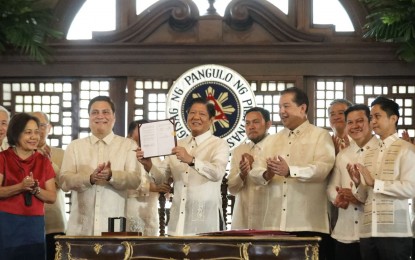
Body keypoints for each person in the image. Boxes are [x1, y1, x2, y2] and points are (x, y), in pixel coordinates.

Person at [250, 87, 335, 260]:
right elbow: (254, 171)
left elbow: (322, 169)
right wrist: (267, 174)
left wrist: (290, 171)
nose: (281, 111)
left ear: (302, 108)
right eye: (280, 107)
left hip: (308, 223)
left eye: (286, 106)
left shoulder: (320, 135)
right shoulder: (272, 140)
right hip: (274, 224)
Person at [137, 97, 230, 236]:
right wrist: (149, 165)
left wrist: (192, 160)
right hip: (176, 221)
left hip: (206, 223)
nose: (196, 117)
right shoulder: (176, 144)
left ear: (211, 120)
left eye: (202, 114)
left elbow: (217, 173)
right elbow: (162, 179)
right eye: (192, 113)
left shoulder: (219, 144)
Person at [59, 96, 141, 236]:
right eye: (95, 112)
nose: (100, 116)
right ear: (89, 117)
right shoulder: (75, 147)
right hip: (80, 228)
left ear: (114, 117)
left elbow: (135, 180)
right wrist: (89, 178)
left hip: (114, 227)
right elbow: (64, 181)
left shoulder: (128, 146)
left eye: (106, 112)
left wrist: (111, 175)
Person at [348, 96, 415, 259]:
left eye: (377, 116)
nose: (373, 122)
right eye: (371, 117)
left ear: (393, 119)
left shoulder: (406, 149)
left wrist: (375, 183)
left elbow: (410, 188)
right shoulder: (368, 152)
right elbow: (364, 197)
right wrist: (358, 184)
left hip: (395, 234)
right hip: (368, 233)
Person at [0, 113, 56, 259]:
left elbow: (51, 197)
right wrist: (20, 186)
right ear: (16, 133)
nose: (34, 137)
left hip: (34, 223)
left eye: (37, 132)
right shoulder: (3, 158)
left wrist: (35, 189)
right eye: (28, 132)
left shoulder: (44, 161)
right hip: (7, 221)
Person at [327, 104, 379, 260]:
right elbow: (331, 186)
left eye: (360, 121)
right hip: (345, 231)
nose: (355, 126)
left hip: (374, 232)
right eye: (350, 122)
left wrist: (359, 195)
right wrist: (337, 198)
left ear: (370, 122)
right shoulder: (342, 155)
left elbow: (388, 188)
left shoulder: (382, 151)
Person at [227, 107, 272, 230]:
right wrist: (242, 174)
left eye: (256, 122)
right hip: (242, 220)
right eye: (247, 123)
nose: (251, 127)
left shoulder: (277, 147)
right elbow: (232, 188)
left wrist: (256, 170)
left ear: (268, 124)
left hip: (269, 220)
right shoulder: (239, 151)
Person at [30, 112, 67, 260]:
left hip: (53, 223)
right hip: (25, 222)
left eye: (42, 125)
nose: (37, 130)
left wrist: (49, 162)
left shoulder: (60, 154)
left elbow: (65, 184)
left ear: (49, 128)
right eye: (32, 126)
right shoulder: (18, 154)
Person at [126, 119, 170, 236]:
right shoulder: (124, 152)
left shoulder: (153, 153)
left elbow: (161, 176)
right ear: (130, 134)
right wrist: (151, 187)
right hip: (132, 206)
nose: (146, 134)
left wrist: (165, 186)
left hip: (151, 207)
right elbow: (123, 180)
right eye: (141, 130)